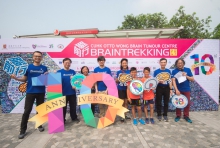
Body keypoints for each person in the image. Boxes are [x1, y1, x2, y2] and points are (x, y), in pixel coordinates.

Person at [11, 51, 47, 139]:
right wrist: (16, 78)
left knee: (40, 111)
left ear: (41, 57)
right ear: (33, 57)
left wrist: (47, 76)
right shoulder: (28, 67)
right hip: (30, 92)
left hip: (41, 92)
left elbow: (45, 80)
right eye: (36, 56)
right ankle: (22, 130)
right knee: (27, 111)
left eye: (39, 56)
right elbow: (24, 79)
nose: (37, 58)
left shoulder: (44, 68)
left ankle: (39, 125)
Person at [172, 58, 194, 123]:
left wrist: (186, 76)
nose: (180, 64)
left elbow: (192, 79)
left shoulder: (188, 69)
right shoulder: (174, 71)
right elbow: (173, 81)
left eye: (181, 63)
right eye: (178, 63)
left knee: (187, 103)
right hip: (179, 90)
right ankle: (178, 115)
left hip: (187, 89)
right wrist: (176, 90)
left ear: (183, 63)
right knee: (178, 103)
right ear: (176, 64)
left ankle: (186, 116)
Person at [57, 58, 79, 124]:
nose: (67, 64)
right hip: (63, 93)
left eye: (69, 63)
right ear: (63, 63)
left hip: (72, 92)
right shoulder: (59, 72)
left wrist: (75, 84)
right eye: (66, 62)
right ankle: (62, 119)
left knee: (73, 106)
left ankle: (74, 117)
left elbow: (76, 81)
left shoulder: (73, 72)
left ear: (70, 64)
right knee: (63, 107)